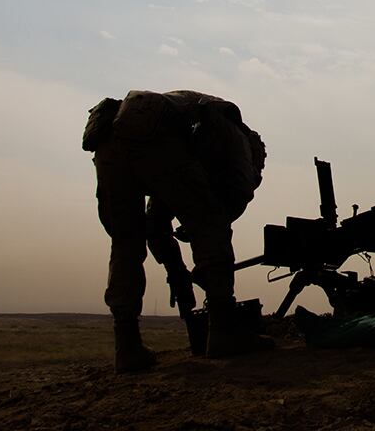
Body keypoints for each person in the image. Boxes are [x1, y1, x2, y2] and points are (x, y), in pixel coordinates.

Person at [82, 89, 270, 373]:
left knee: (125, 244)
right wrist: (203, 256)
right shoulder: (238, 138)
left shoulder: (190, 137)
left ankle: (128, 347)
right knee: (212, 226)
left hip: (111, 142)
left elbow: (156, 220)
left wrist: (178, 272)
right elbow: (232, 201)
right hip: (153, 134)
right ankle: (223, 332)